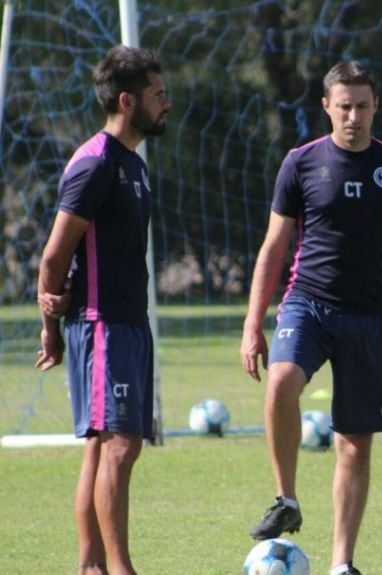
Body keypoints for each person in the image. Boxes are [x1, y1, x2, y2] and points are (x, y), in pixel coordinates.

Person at [240, 60, 382, 575]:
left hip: (371, 316)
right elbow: (273, 247)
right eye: (343, 106)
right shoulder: (301, 162)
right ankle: (285, 497)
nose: (352, 116)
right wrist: (252, 324)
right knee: (281, 383)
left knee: (354, 444)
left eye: (362, 105)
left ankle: (341, 564)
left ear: (376, 106)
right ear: (326, 107)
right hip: (307, 302)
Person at [35, 46, 170, 575]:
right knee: (120, 445)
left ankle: (91, 565)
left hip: (130, 323)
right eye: (158, 95)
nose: (166, 104)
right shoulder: (95, 163)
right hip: (101, 324)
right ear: (126, 100)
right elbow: (53, 258)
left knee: (105, 447)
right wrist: (51, 328)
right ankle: (119, 568)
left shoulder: (133, 165)